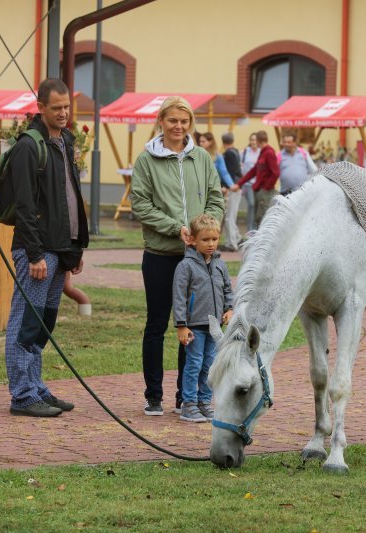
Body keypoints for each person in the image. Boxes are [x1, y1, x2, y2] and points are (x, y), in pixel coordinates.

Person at [131, 96, 225, 416]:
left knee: (194, 328)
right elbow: (141, 204)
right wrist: (175, 228)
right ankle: (153, 395)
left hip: (196, 259)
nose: (178, 126)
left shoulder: (201, 158)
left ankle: (186, 397)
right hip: (160, 254)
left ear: (191, 124)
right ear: (161, 121)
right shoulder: (146, 160)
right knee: (157, 324)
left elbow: (215, 198)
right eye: (173, 120)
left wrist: (203, 231)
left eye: (184, 121)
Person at [4, 78, 90, 417]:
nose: (63, 113)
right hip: (36, 250)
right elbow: (24, 205)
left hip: (60, 247)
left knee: (44, 321)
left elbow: (70, 196)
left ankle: (36, 386)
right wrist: (35, 254)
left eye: (67, 107)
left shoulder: (65, 140)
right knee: (27, 320)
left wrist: (75, 248)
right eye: (56, 108)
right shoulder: (29, 145)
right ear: (40, 107)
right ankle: (22, 395)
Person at [172, 214, 233, 422]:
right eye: (205, 240)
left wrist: (229, 308)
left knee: (210, 365)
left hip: (215, 327)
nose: (210, 244)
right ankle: (189, 404)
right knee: (194, 364)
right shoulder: (185, 266)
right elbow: (178, 297)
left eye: (214, 239)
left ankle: (204, 402)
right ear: (193, 240)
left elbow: (227, 289)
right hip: (194, 326)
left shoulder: (220, 264)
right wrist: (181, 325)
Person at [231, 130, 279, 228]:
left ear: (258, 141)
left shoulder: (269, 153)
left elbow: (276, 173)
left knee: (262, 218)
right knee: (257, 218)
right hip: (258, 189)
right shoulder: (263, 153)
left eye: (255, 140)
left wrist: (266, 188)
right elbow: (254, 171)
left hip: (264, 192)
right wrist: (239, 183)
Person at [220, 132, 243, 251]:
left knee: (229, 217)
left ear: (223, 142)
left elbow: (229, 172)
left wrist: (226, 186)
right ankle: (237, 238)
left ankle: (232, 244)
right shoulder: (236, 151)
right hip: (237, 187)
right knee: (231, 215)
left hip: (232, 188)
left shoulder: (228, 154)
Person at [240, 133, 260, 233]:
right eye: (252, 140)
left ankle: (256, 229)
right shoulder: (245, 152)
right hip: (247, 184)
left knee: (256, 205)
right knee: (251, 204)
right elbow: (239, 164)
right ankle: (249, 229)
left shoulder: (261, 152)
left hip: (258, 184)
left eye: (255, 140)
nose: (253, 142)